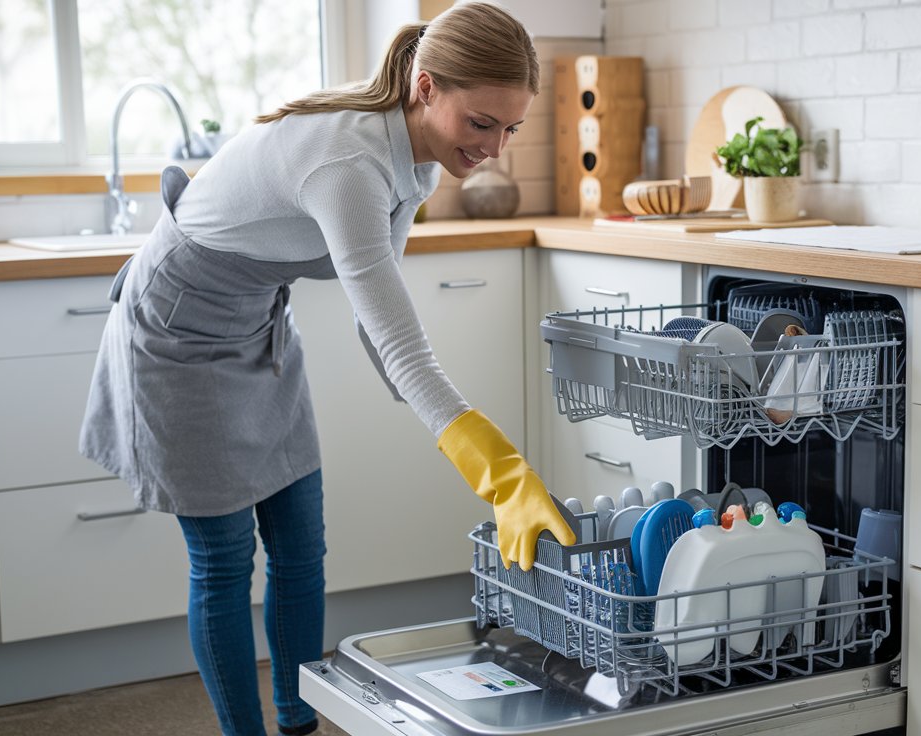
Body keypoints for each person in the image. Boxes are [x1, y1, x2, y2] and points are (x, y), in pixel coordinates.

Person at [78, 4, 576, 735]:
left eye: (511, 128)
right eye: (481, 124)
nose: (496, 148)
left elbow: (381, 332)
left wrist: (460, 442)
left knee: (302, 549)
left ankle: (299, 721)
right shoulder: (349, 163)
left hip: (257, 326)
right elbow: (402, 345)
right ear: (427, 87)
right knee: (222, 561)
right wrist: (497, 470)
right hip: (178, 334)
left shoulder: (418, 163)